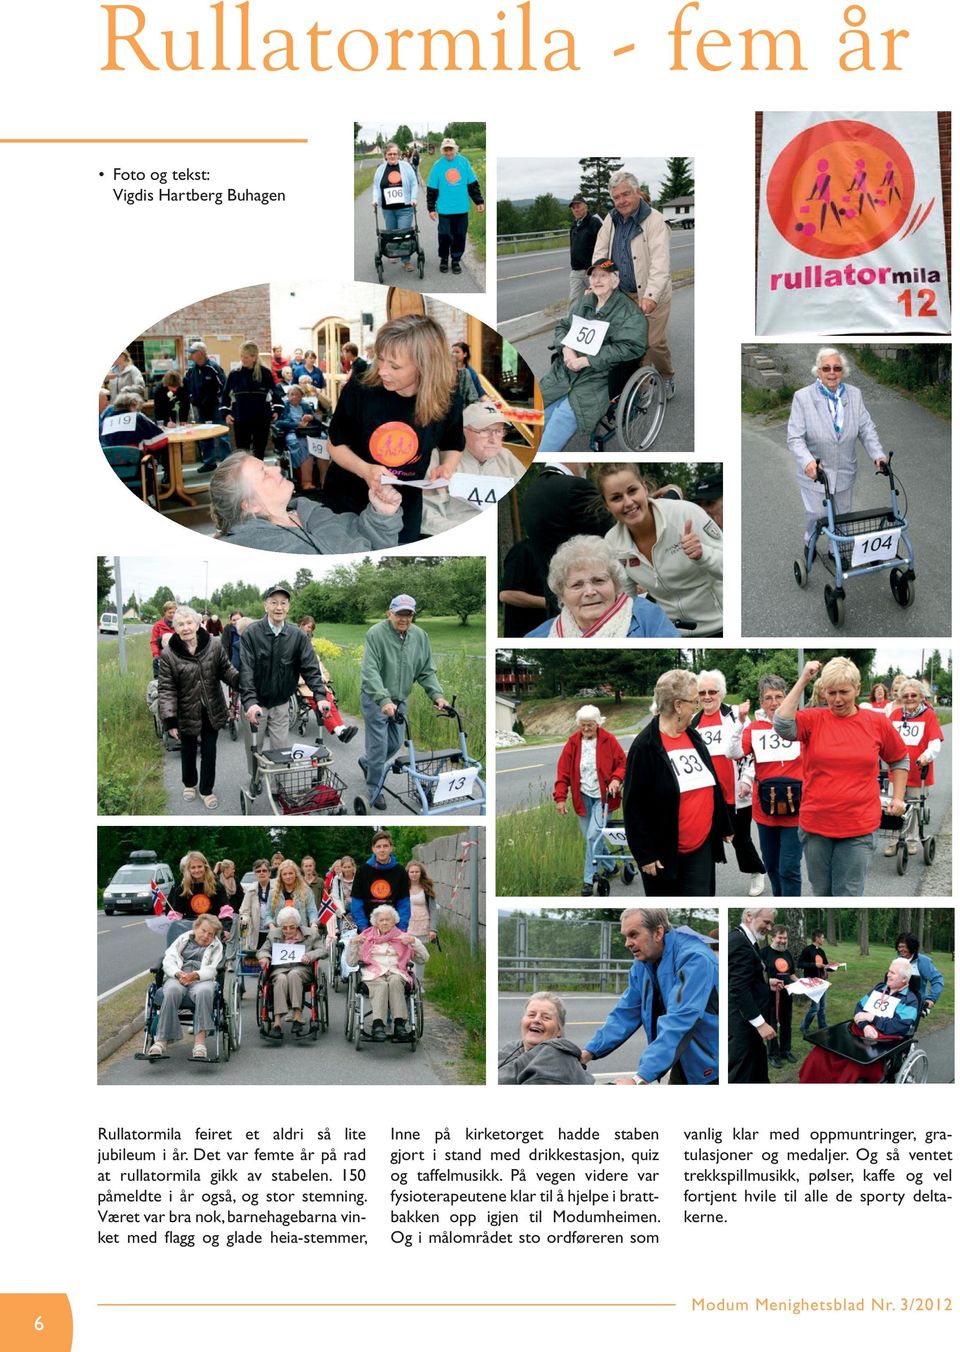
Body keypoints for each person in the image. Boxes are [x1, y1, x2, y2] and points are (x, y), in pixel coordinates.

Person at [773, 658, 909, 896]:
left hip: (858, 826)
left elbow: (899, 759)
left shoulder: (876, 722)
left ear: (857, 689)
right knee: (822, 892)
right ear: (824, 691)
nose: (837, 699)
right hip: (816, 826)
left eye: (844, 692)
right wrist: (804, 679)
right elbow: (782, 724)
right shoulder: (813, 719)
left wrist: (897, 797)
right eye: (831, 692)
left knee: (847, 894)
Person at [324, 314, 464, 544]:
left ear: (425, 366)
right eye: (381, 359)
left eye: (394, 366)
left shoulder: (448, 400)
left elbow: (452, 443)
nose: (382, 371)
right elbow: (335, 443)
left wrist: (446, 466)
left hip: (404, 505)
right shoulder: (361, 387)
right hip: (348, 498)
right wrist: (366, 470)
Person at [622, 668, 733, 897]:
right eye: (694, 701)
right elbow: (633, 806)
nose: (697, 706)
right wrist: (645, 854)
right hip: (664, 850)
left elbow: (710, 783)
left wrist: (723, 825)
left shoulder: (693, 736)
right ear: (678, 705)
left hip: (701, 844)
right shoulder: (645, 747)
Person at [582, 908, 720, 1084]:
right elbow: (626, 1013)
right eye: (625, 936)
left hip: (714, 1059)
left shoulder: (694, 958)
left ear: (658, 932)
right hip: (681, 1054)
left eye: (633, 935)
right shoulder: (643, 961)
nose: (627, 943)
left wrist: (639, 1078)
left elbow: (680, 1020)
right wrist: (587, 1052)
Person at [595, 463, 724, 637]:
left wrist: (704, 555)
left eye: (632, 491)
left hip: (720, 626)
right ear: (607, 505)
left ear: (645, 488)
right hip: (669, 632)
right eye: (616, 498)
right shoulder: (612, 541)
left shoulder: (685, 513)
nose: (628, 502)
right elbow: (627, 598)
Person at [537, 258, 648, 454]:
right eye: (594, 276)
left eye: (603, 276)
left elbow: (633, 347)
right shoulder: (586, 301)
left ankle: (538, 457)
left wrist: (588, 360)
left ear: (615, 281)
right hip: (569, 367)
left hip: (600, 374)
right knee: (539, 409)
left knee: (563, 414)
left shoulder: (629, 313)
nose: (596, 280)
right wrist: (566, 348)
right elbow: (564, 326)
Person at [787, 347, 887, 547]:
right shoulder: (803, 397)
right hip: (816, 471)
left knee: (843, 516)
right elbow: (795, 437)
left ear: (843, 371)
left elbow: (866, 428)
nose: (832, 372)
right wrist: (807, 462)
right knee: (817, 514)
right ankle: (810, 543)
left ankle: (839, 549)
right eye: (826, 368)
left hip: (844, 469)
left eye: (837, 368)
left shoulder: (854, 395)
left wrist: (878, 454)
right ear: (818, 371)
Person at [210, 451, 403, 553]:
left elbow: (370, 544)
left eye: (268, 466)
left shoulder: (308, 510)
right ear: (250, 505)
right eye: (264, 474)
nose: (277, 470)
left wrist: (381, 514)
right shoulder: (256, 548)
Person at [359, 595, 448, 810]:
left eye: (408, 615)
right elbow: (370, 671)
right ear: (390, 612)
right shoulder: (376, 634)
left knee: (396, 743)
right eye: (400, 614)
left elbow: (426, 670)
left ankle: (368, 762)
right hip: (375, 698)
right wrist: (384, 700)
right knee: (379, 746)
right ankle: (375, 787)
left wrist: (437, 695)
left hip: (400, 699)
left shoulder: (419, 636)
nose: (404, 619)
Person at [592, 171, 674, 396]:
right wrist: (598, 281)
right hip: (623, 294)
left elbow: (660, 264)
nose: (621, 201)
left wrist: (651, 297)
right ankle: (642, 387)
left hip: (652, 293)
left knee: (653, 343)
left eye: (626, 194)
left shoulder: (655, 220)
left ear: (637, 192)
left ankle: (667, 376)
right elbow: (600, 252)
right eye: (616, 197)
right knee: (632, 344)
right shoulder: (611, 218)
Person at [236, 583, 335, 756]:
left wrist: (320, 696)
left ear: (288, 607)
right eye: (274, 602)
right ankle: (256, 781)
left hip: (281, 703)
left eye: (283, 603)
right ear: (265, 605)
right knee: (254, 750)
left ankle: (278, 783)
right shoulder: (251, 633)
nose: (279, 607)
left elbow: (310, 669)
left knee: (281, 751)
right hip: (256, 702)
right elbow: (246, 671)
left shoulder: (297, 635)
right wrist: (250, 702)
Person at [690, 670, 765, 896]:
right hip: (707, 795)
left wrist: (747, 780)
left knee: (740, 839)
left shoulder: (734, 715)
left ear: (721, 693)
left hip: (735, 792)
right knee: (706, 840)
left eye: (712, 691)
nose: (707, 696)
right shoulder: (694, 721)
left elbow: (752, 751)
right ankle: (704, 884)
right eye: (702, 692)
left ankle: (756, 872)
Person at [157, 605, 239, 810]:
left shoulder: (213, 645)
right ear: (174, 628)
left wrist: (240, 680)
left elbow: (226, 670)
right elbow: (166, 688)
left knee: (209, 751)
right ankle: (189, 784)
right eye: (180, 624)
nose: (185, 628)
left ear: (198, 624)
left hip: (212, 708)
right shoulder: (168, 654)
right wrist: (170, 720)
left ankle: (206, 790)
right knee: (188, 750)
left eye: (189, 623)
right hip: (185, 711)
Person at [729, 674, 805, 897]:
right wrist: (740, 723)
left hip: (796, 810)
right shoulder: (754, 728)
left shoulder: (801, 723)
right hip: (765, 810)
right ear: (761, 702)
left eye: (779, 697)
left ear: (788, 698)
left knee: (789, 868)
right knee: (771, 865)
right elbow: (733, 753)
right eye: (768, 698)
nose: (774, 703)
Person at [527, 535, 678, 639]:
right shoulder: (540, 636)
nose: (590, 592)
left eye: (599, 580)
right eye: (577, 585)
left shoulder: (648, 617)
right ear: (561, 594)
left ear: (615, 583)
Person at [799, 958, 920, 1084]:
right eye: (888, 971)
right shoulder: (879, 988)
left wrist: (873, 1018)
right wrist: (865, 1025)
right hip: (860, 1034)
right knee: (819, 1054)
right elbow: (859, 1009)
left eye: (893, 973)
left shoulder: (910, 1001)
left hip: (880, 1045)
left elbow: (899, 1026)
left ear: (904, 979)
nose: (888, 975)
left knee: (853, 1068)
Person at [522, 462, 611, 617]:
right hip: (591, 604)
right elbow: (613, 532)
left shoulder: (530, 494)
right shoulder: (576, 487)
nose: (591, 464)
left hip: (556, 603)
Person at [554, 706, 627, 896]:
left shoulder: (608, 740)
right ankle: (611, 867)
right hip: (582, 797)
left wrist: (616, 779)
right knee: (592, 838)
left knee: (592, 836)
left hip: (603, 798)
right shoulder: (573, 743)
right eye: (583, 725)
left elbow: (622, 764)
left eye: (590, 725)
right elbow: (562, 772)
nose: (586, 729)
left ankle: (589, 880)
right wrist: (560, 798)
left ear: (597, 723)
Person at [421, 401, 524, 535]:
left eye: (498, 431)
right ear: (463, 431)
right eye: (485, 431)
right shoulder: (440, 459)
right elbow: (427, 514)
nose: (493, 440)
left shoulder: (506, 458)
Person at [346, 904, 428, 1043]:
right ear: (375, 922)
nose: (384, 922)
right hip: (373, 973)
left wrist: (415, 942)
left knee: (395, 981)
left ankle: (399, 1025)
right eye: (381, 920)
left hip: (397, 971)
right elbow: (351, 962)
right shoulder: (365, 937)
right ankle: (378, 1026)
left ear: (394, 921)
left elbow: (423, 958)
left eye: (387, 920)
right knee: (381, 985)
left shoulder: (403, 937)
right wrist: (353, 943)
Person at [148, 914, 224, 1060]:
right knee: (171, 991)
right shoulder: (182, 939)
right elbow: (168, 959)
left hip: (201, 979)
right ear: (196, 927)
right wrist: (177, 973)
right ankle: (162, 1041)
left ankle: (200, 1044)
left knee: (204, 992)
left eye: (211, 934)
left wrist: (195, 975)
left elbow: (213, 968)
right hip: (178, 977)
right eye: (203, 930)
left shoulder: (217, 946)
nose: (206, 936)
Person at [888, 678, 943, 856]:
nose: (910, 698)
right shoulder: (895, 715)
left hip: (918, 772)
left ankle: (911, 840)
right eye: (906, 695)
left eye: (914, 695)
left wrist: (926, 756)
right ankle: (893, 840)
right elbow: (885, 739)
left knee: (913, 807)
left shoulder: (928, 715)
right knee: (893, 806)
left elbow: (935, 742)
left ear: (920, 696)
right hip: (896, 771)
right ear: (901, 697)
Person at [728, 907, 778, 1083]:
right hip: (744, 1026)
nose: (770, 927)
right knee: (743, 1075)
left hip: (750, 1026)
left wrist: (765, 983)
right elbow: (738, 988)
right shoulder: (738, 941)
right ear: (749, 916)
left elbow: (747, 976)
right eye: (766, 922)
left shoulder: (748, 940)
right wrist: (760, 1024)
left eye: (771, 923)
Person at [257, 906, 324, 1038]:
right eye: (284, 927)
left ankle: (297, 1016)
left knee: (294, 974)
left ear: (298, 925)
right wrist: (264, 957)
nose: (288, 931)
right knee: (281, 979)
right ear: (280, 926)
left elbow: (323, 950)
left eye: (292, 927)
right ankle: (277, 1023)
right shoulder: (273, 934)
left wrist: (310, 955)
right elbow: (262, 950)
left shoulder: (310, 934)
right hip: (279, 970)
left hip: (302, 969)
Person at [499, 992, 594, 1085]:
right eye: (531, 1015)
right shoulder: (511, 1049)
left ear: (559, 1030)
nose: (536, 1020)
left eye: (546, 1017)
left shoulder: (557, 1062)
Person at [294, 615, 359, 745]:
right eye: (308, 627)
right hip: (302, 684)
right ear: (301, 625)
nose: (309, 630)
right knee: (318, 700)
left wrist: (324, 677)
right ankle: (337, 729)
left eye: (311, 628)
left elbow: (319, 666)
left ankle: (342, 728)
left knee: (328, 699)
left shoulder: (311, 648)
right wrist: (301, 680)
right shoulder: (293, 644)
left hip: (315, 682)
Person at [425, 137, 484, 275]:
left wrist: (479, 201)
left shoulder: (464, 163)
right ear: (442, 151)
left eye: (450, 149)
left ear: (455, 149)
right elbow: (432, 189)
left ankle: (456, 260)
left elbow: (472, 184)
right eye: (445, 149)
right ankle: (444, 259)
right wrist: (431, 208)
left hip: (462, 208)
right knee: (444, 235)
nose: (448, 152)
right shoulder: (438, 166)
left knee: (459, 235)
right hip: (445, 209)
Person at [219, 341, 284, 459]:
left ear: (254, 357)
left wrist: (277, 410)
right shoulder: (235, 374)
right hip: (241, 418)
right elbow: (225, 396)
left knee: (259, 451)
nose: (243, 359)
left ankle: (258, 475)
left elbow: (275, 394)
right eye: (241, 356)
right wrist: (226, 414)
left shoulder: (265, 373)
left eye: (246, 357)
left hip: (261, 418)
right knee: (242, 453)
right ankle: (244, 476)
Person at [371, 142, 419, 271]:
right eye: (390, 154)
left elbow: (414, 183)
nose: (392, 156)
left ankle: (406, 261)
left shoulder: (406, 167)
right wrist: (375, 199)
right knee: (391, 233)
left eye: (395, 153)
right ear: (386, 155)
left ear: (398, 154)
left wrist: (413, 198)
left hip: (405, 207)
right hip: (388, 209)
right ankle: (393, 254)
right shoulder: (380, 169)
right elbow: (376, 186)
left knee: (403, 234)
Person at [183, 341, 229, 471]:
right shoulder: (191, 371)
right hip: (201, 409)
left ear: (201, 353)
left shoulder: (214, 368)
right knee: (205, 435)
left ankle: (226, 464)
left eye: (193, 353)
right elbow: (187, 388)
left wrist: (214, 400)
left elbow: (223, 387)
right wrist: (192, 399)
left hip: (215, 407)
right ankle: (209, 462)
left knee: (222, 436)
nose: (191, 355)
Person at [351, 832, 410, 930]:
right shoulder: (362, 871)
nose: (382, 850)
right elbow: (357, 902)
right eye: (378, 847)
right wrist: (364, 929)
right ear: (373, 849)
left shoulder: (400, 871)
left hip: (394, 928)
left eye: (385, 846)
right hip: (368, 928)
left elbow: (404, 903)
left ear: (391, 848)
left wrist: (401, 929)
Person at [760, 924, 799, 1068]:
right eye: (780, 937)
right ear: (772, 937)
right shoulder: (763, 953)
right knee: (772, 1026)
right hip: (770, 998)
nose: (783, 941)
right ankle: (773, 1055)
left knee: (786, 1024)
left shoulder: (787, 953)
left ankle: (785, 1051)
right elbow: (757, 977)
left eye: (785, 938)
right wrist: (769, 981)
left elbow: (792, 974)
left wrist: (802, 983)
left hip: (787, 996)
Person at [274, 385, 326, 492]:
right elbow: (278, 423)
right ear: (287, 396)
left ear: (302, 396)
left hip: (309, 432)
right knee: (303, 443)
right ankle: (306, 481)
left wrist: (311, 418)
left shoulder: (306, 406)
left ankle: (324, 481)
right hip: (293, 432)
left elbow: (318, 421)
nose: (294, 397)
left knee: (323, 441)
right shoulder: (284, 406)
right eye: (291, 395)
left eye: (297, 395)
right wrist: (296, 424)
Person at [165, 851, 234, 925]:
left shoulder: (216, 886)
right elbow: (177, 913)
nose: (197, 870)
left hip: (212, 929)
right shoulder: (182, 889)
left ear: (205, 866)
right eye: (193, 867)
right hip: (189, 930)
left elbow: (225, 910)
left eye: (199, 866)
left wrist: (226, 928)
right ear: (188, 869)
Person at [499, 539, 547, 638]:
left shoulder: (564, 551)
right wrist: (552, 604)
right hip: (525, 633)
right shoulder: (524, 550)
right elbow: (507, 594)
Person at [567, 194, 604, 306]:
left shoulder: (594, 223)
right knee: (575, 301)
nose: (576, 209)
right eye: (573, 207)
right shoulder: (574, 226)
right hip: (576, 271)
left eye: (578, 206)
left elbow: (602, 245)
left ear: (586, 207)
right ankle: (573, 323)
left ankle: (599, 322)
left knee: (598, 300)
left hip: (591, 270)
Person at [895, 932, 944, 1010]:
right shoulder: (897, 960)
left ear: (912, 947)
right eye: (899, 947)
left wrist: (931, 999)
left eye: (903, 947)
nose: (900, 950)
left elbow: (937, 979)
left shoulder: (923, 961)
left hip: (915, 1004)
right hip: (896, 1001)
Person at [406, 859, 437, 983]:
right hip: (408, 924)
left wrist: (433, 929)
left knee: (420, 954)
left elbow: (433, 909)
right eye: (412, 872)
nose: (414, 874)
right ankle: (409, 982)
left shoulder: (426, 888)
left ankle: (419, 982)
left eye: (416, 871)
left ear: (421, 873)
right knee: (407, 953)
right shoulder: (403, 887)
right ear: (408, 873)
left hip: (423, 924)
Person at [268, 860, 320, 930]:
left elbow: (312, 910)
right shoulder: (273, 893)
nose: (288, 876)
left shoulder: (306, 891)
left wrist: (314, 924)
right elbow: (268, 914)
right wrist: (271, 926)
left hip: (301, 932)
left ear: (296, 874)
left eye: (291, 873)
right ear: (280, 876)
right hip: (280, 932)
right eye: (285, 874)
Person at [798, 928, 831, 1035]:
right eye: (822, 937)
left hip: (822, 981)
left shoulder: (821, 951)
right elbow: (800, 964)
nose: (823, 939)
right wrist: (814, 965)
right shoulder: (807, 950)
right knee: (815, 1007)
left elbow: (825, 964)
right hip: (812, 982)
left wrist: (833, 967)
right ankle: (804, 1026)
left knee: (822, 1006)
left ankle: (822, 1025)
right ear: (817, 938)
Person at [239, 859, 273, 954]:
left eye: (264, 870)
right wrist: (243, 934)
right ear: (255, 874)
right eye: (258, 871)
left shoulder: (277, 888)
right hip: (257, 931)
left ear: (269, 873)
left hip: (273, 930)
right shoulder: (251, 890)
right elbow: (244, 911)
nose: (261, 873)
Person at [150, 600, 178, 678]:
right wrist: (156, 655)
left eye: (174, 612)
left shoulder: (179, 625)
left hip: (176, 658)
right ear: (165, 612)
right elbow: (154, 642)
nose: (172, 615)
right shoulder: (158, 625)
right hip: (161, 657)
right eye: (170, 612)